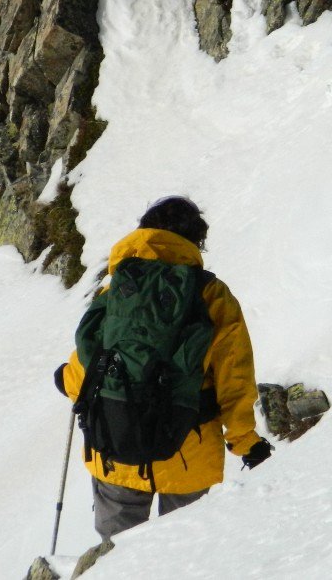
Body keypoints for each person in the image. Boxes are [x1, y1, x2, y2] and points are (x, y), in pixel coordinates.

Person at [55, 196, 272, 539]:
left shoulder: (116, 289)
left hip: (116, 443)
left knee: (117, 560)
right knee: (179, 554)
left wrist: (66, 381)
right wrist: (245, 442)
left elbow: (90, 358)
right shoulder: (212, 296)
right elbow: (235, 377)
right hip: (189, 449)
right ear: (195, 241)